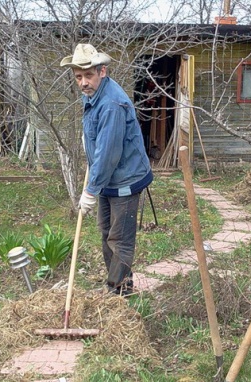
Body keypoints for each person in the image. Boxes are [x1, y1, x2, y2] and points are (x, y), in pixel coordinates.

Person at [60, 43, 153, 297]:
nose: (83, 82)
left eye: (88, 75)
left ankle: (117, 292)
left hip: (125, 177)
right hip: (109, 177)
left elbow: (108, 154)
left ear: (102, 71)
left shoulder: (111, 103)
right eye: (78, 77)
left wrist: (90, 190)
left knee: (119, 239)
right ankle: (120, 284)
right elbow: (100, 142)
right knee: (106, 233)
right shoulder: (93, 95)